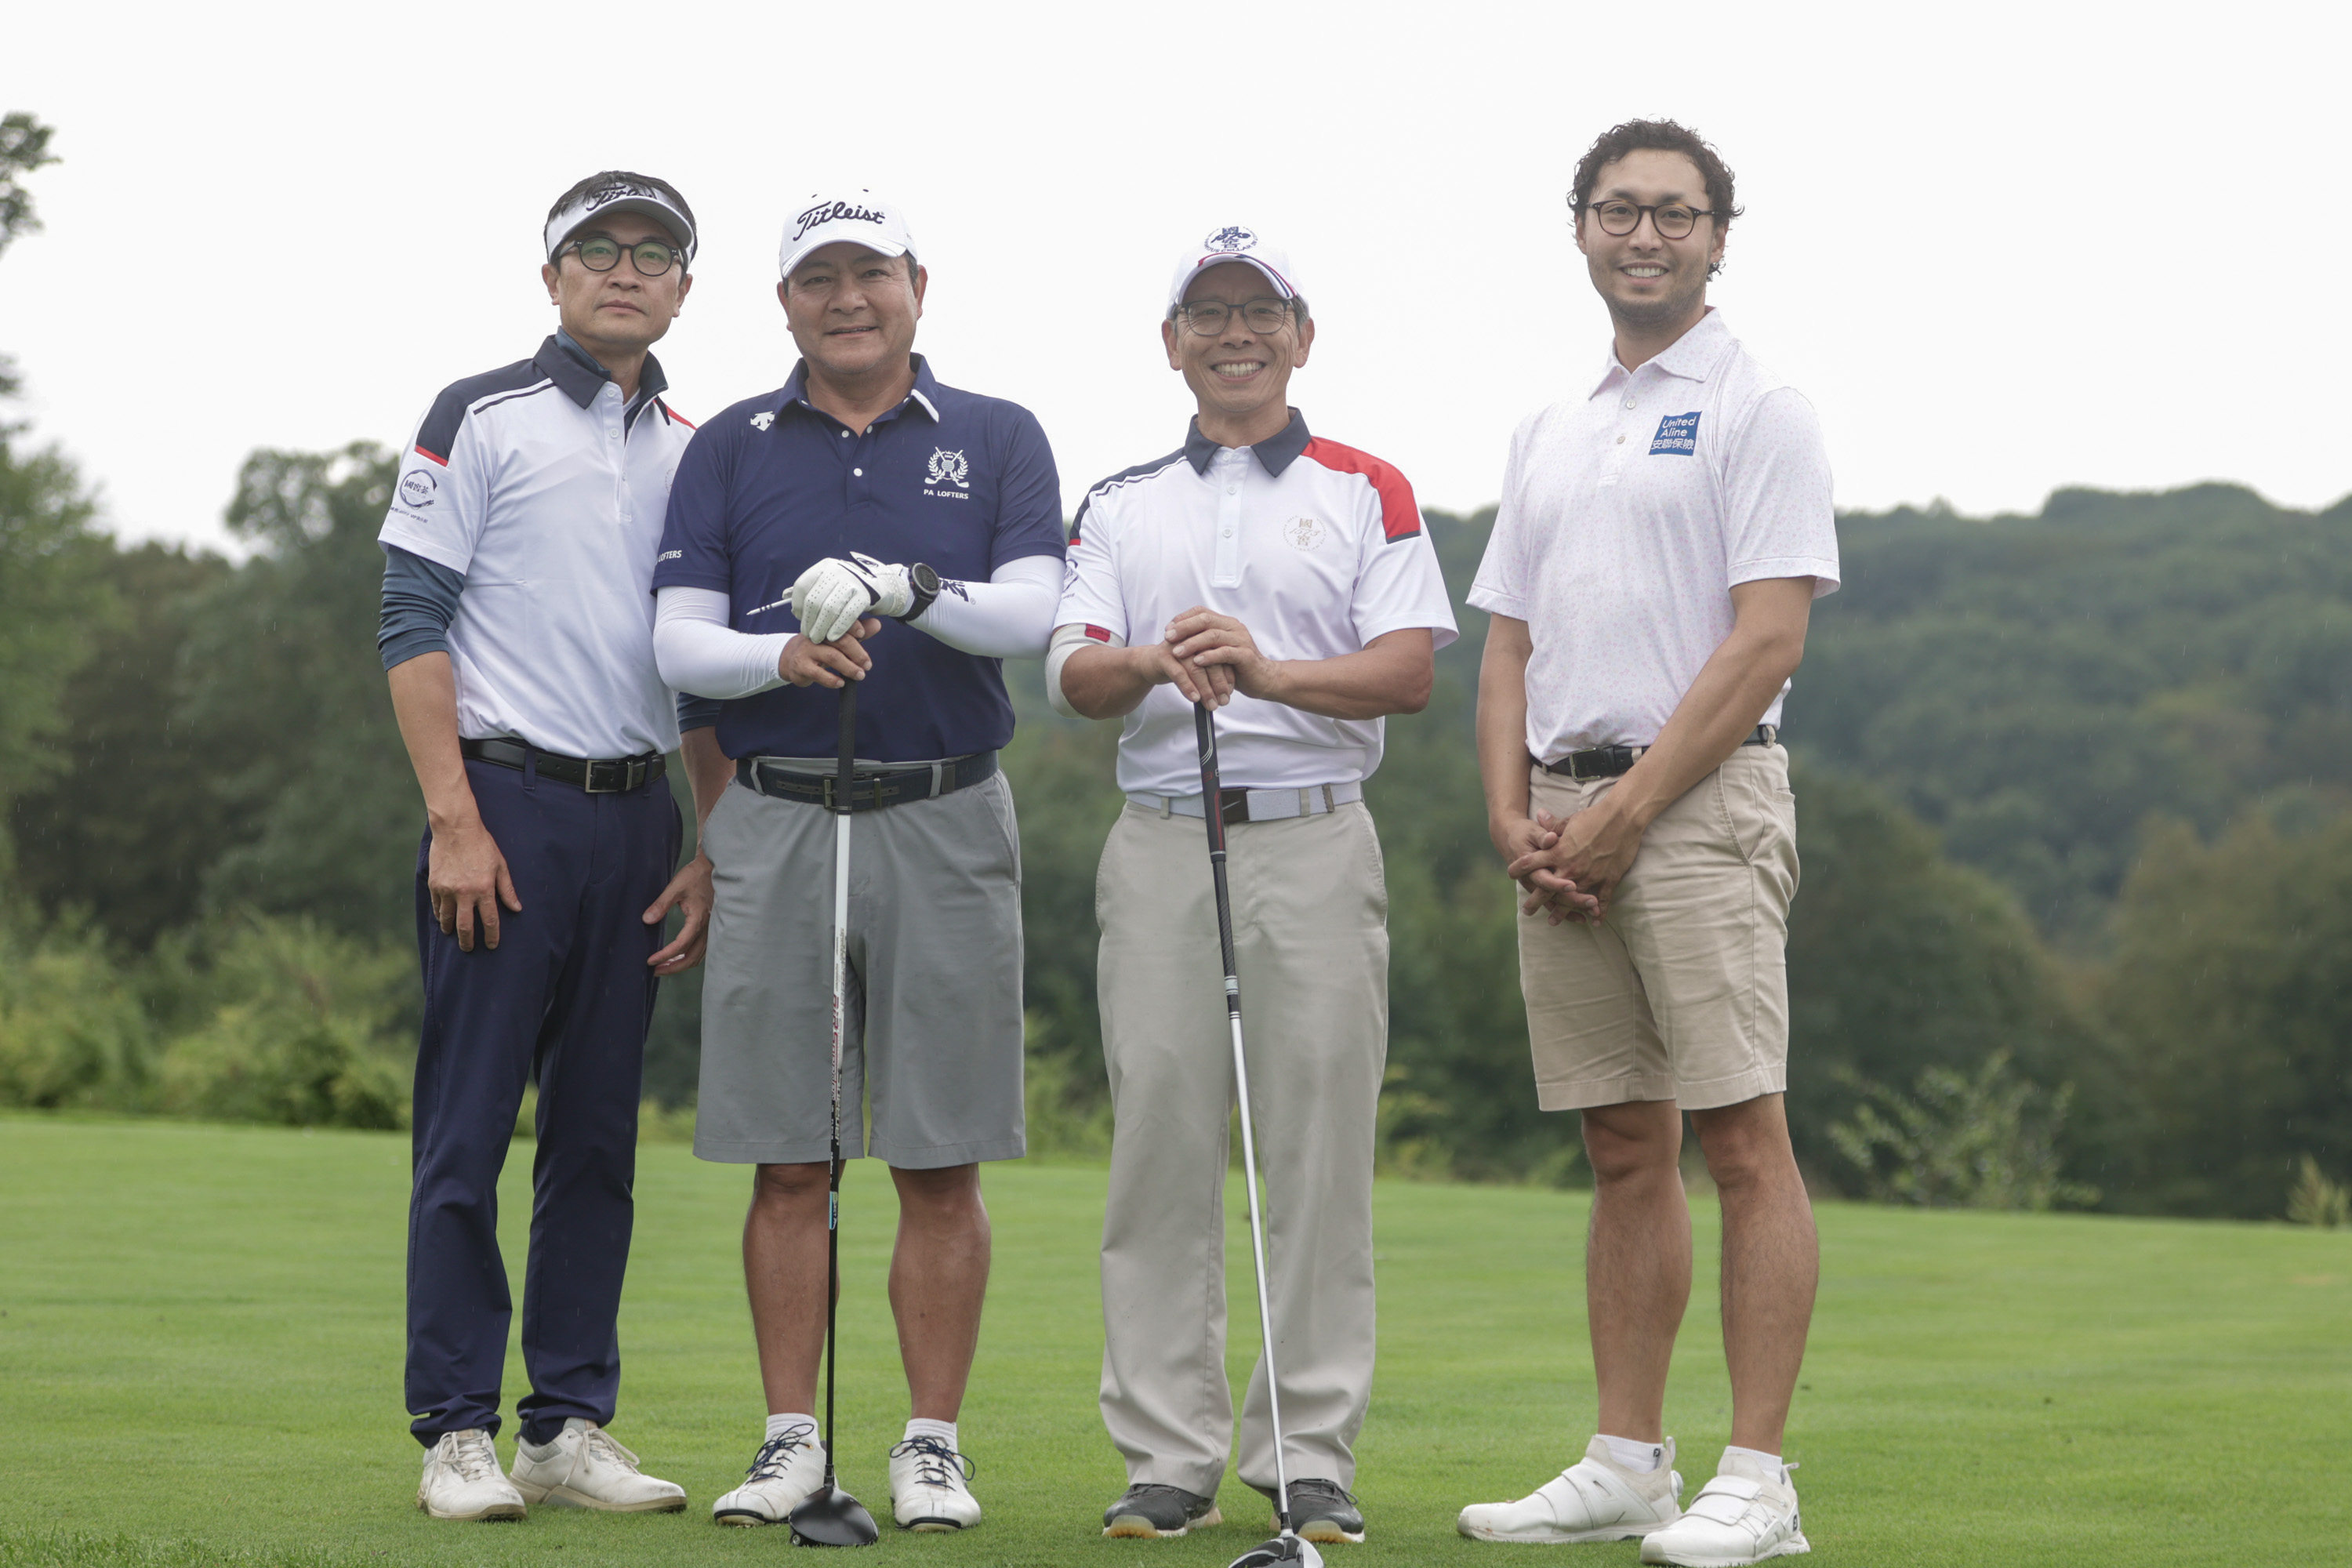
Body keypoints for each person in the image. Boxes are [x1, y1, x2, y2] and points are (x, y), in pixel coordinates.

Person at [1450, 121, 1839, 1566]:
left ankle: (1760, 1481)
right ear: (1582, 229)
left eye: (1677, 213)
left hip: (1701, 809)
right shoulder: (1552, 428)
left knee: (1740, 1136)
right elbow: (1509, 644)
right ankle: (1629, 1462)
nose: (1647, 236)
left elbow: (1769, 638)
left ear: (1719, 238)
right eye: (1620, 210)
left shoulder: (1760, 405)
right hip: (1563, 818)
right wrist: (1514, 814)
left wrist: (1626, 814)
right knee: (1624, 1144)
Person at [648, 190, 1065, 1534]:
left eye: (869, 273)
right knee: (790, 1156)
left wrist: (907, 589)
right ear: (785, 304)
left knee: (941, 1157)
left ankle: (931, 1445)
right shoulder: (728, 445)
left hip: (946, 813)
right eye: (818, 278)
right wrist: (780, 655)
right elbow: (677, 642)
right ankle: (790, 1439)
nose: (847, 299)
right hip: (776, 815)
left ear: (916, 286)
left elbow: (1033, 613)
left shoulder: (997, 435)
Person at [1052, 227, 1457, 1546]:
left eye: (1260, 312)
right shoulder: (1119, 500)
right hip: (1163, 837)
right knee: (1160, 1142)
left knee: (1317, 1151)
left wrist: (1265, 671)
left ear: (1302, 336)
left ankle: (1307, 1456)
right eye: (1209, 313)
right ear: (1172, 342)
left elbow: (1408, 669)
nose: (1236, 334)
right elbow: (1072, 672)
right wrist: (1152, 661)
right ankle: (1168, 1456)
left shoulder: (1367, 486)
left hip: (1314, 838)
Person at [379, 170, 718, 1522]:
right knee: (468, 1128)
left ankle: (565, 1425)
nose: (625, 269)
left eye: (653, 252)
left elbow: (699, 673)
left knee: (595, 1140)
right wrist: (453, 819)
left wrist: (710, 840)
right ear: (553, 275)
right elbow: (411, 616)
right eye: (598, 248)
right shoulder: (480, 415)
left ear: (683, 286)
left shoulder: (698, 451)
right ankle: (455, 1430)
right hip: (505, 809)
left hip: (639, 819)